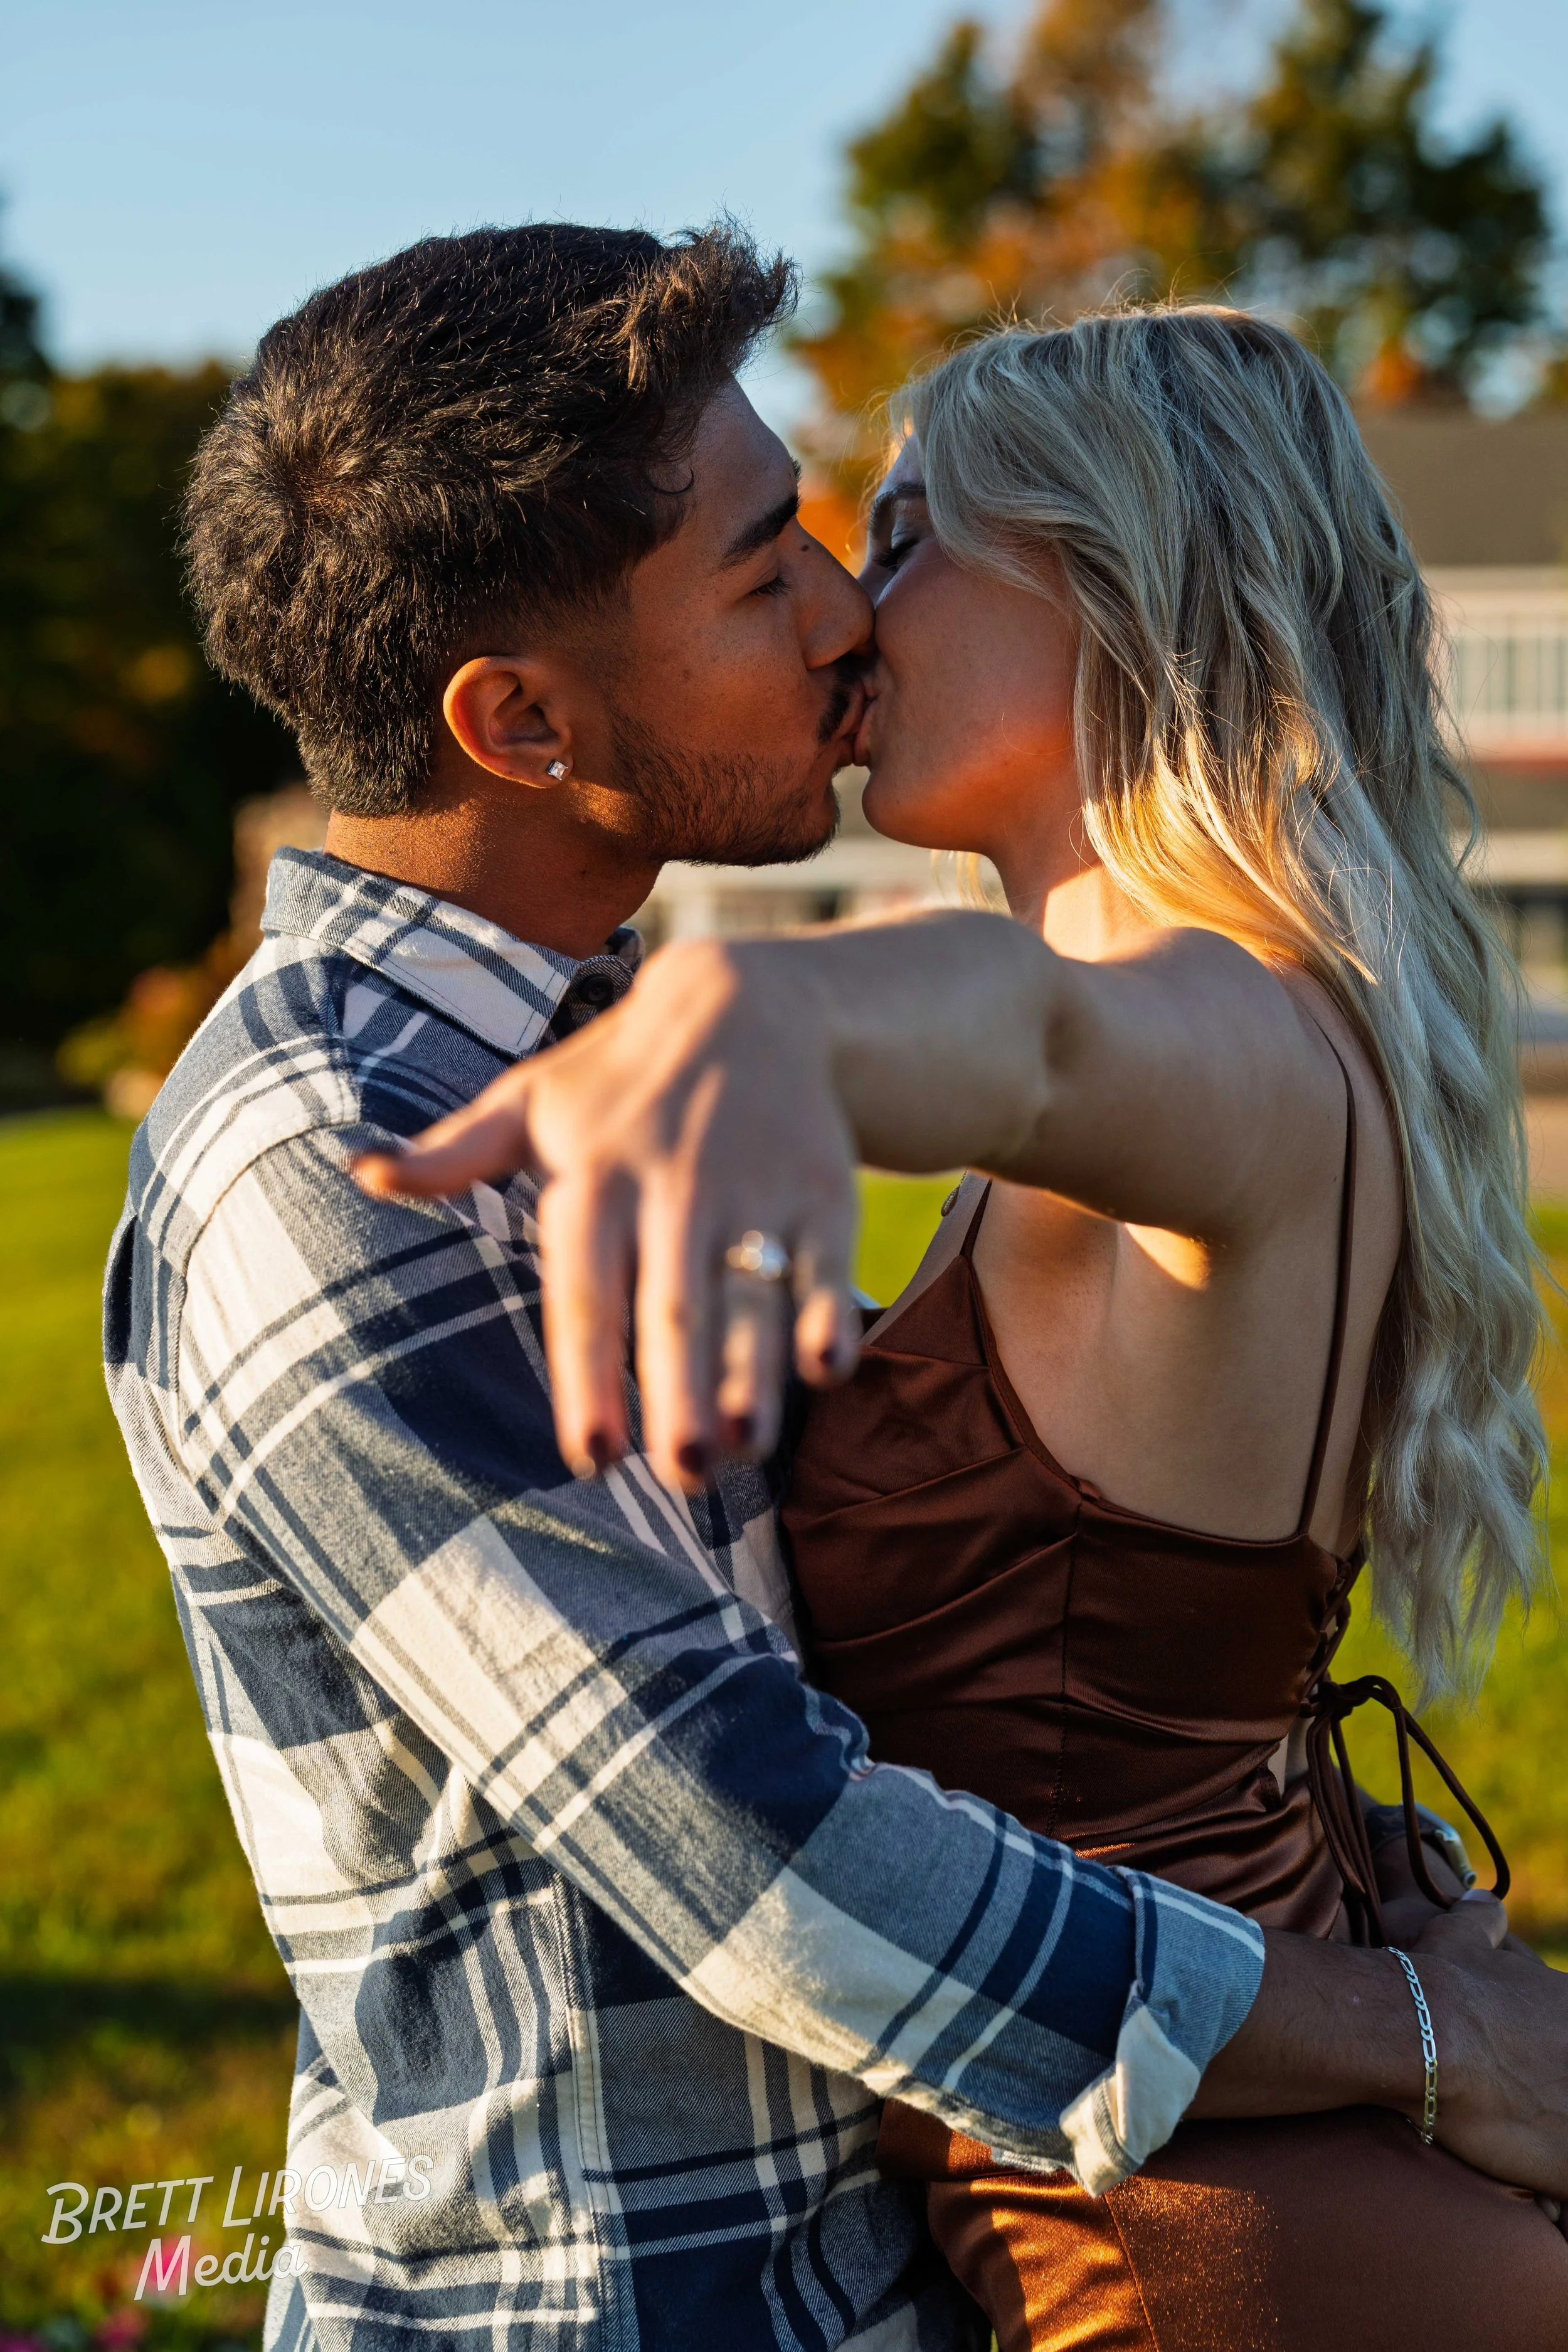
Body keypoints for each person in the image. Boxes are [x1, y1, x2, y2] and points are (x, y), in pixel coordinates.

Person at [107, 226, 1568, 2352]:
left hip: (1108, 2240)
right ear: (512, 721)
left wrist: (774, 1025)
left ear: (1115, 586)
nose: (844, 612)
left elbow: (1041, 1035)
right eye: (772, 560)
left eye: (879, 539)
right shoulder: (345, 1150)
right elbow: (771, 1852)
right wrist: (1401, 2006)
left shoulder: (1201, 1040)